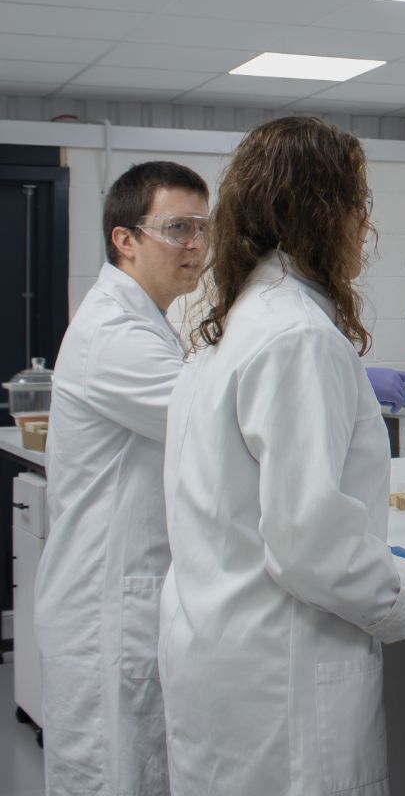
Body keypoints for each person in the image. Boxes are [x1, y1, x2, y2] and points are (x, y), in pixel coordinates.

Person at [159, 116, 405, 796]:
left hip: (221, 656)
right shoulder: (297, 336)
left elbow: (246, 509)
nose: (364, 223)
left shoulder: (236, 325)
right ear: (322, 214)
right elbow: (310, 549)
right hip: (283, 675)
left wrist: (378, 556)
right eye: (359, 203)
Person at [35, 162, 210, 796]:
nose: (195, 246)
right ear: (125, 239)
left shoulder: (146, 320)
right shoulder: (114, 333)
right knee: (117, 775)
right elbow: (215, 427)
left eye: (202, 228)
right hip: (109, 608)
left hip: (133, 595)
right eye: (177, 228)